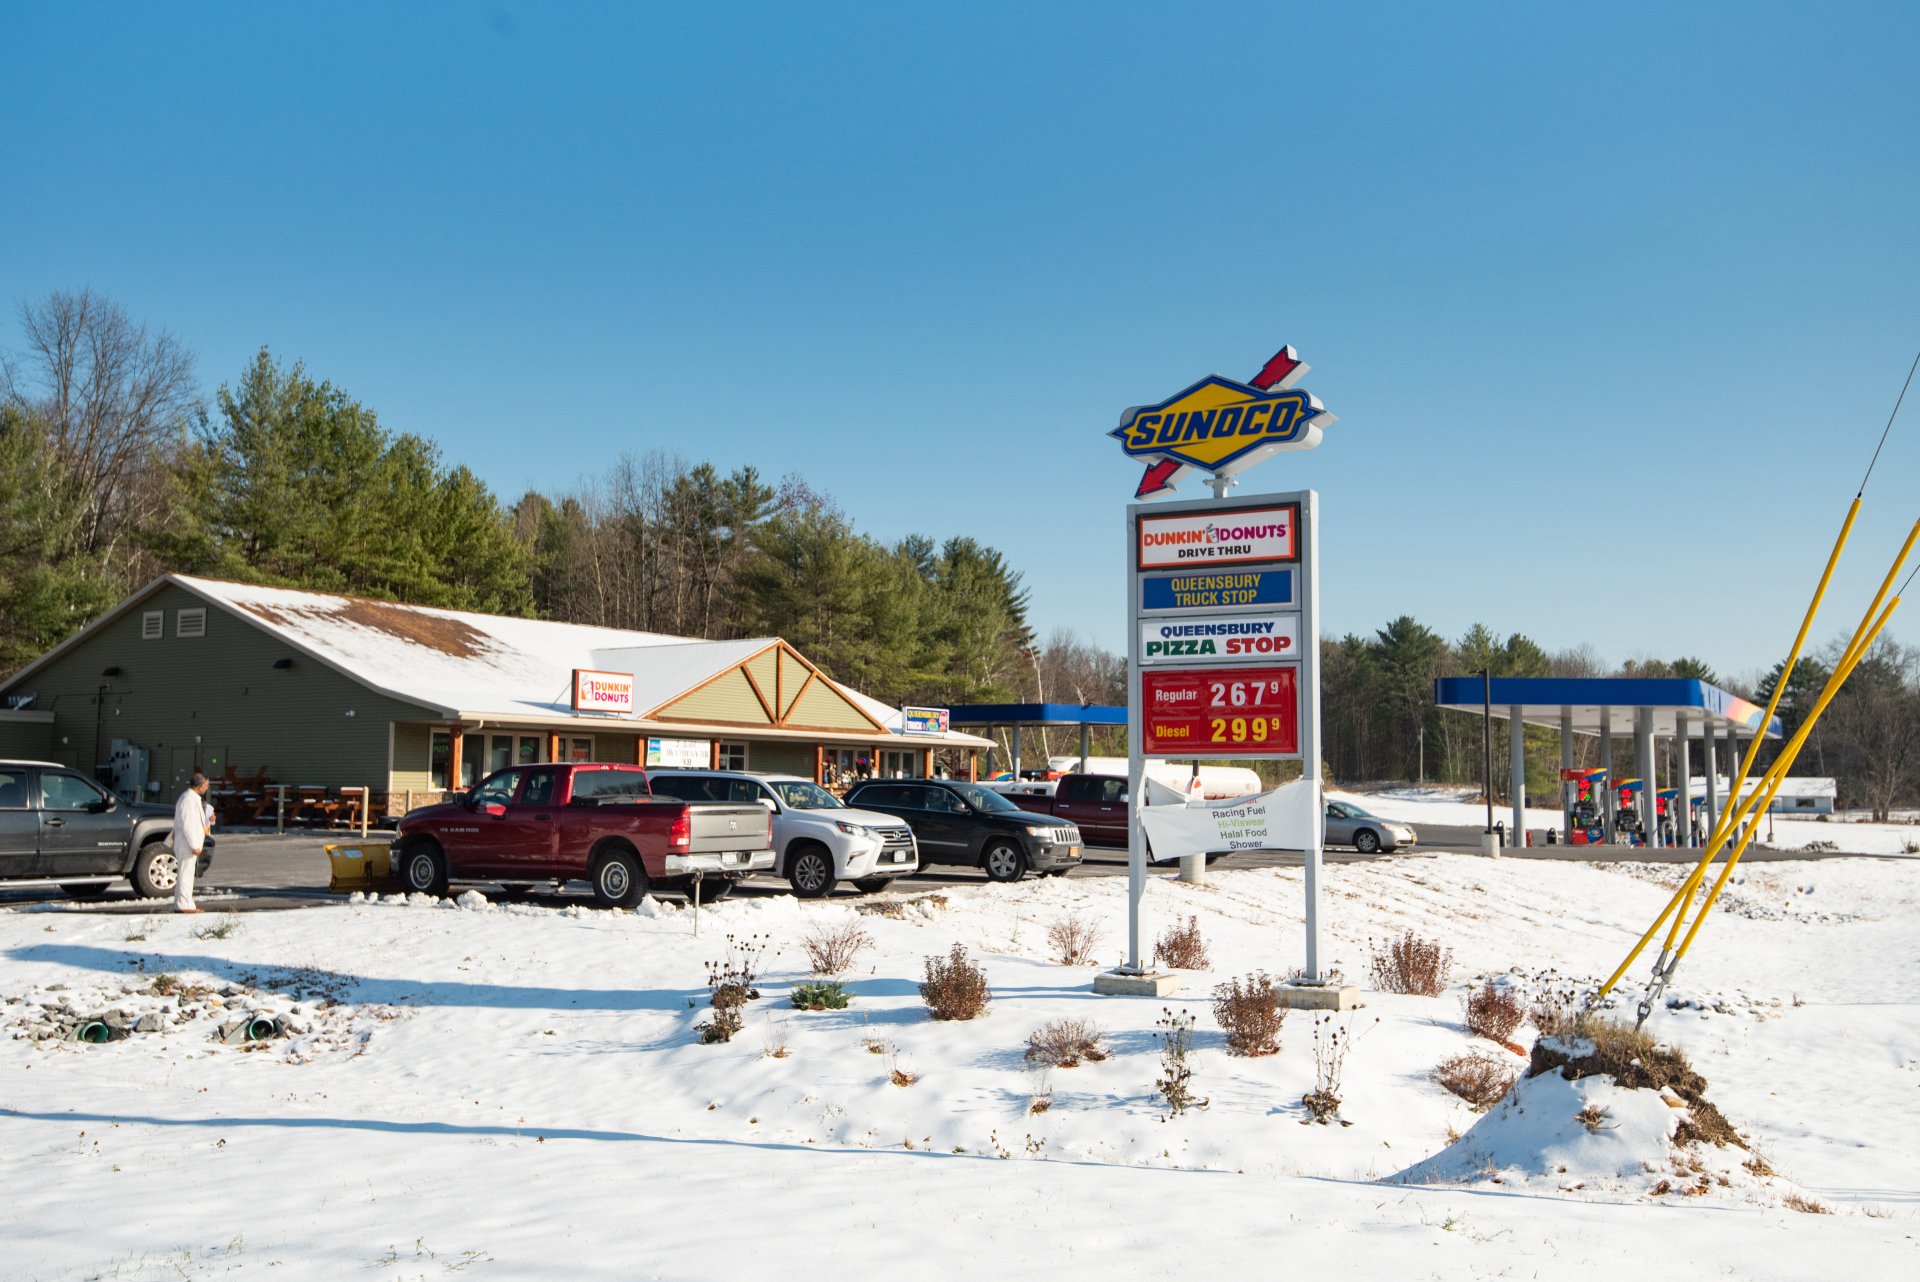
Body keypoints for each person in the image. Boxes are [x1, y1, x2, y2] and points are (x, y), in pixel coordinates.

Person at [172, 771, 211, 914]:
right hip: (187, 844)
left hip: (187, 843)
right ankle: (183, 904)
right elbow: (188, 824)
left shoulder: (192, 798)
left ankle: (184, 902)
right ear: (199, 785)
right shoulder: (188, 799)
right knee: (185, 874)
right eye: (206, 785)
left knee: (187, 873)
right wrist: (194, 845)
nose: (207, 788)